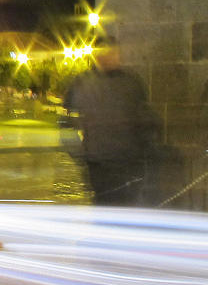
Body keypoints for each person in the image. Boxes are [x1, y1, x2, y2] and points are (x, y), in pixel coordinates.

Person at [63, 38, 160, 206]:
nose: (109, 56)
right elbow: (67, 121)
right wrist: (79, 153)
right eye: (104, 52)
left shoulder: (131, 82)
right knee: (104, 205)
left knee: (128, 206)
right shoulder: (82, 83)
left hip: (128, 161)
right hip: (98, 163)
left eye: (113, 52)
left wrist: (147, 147)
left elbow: (145, 117)